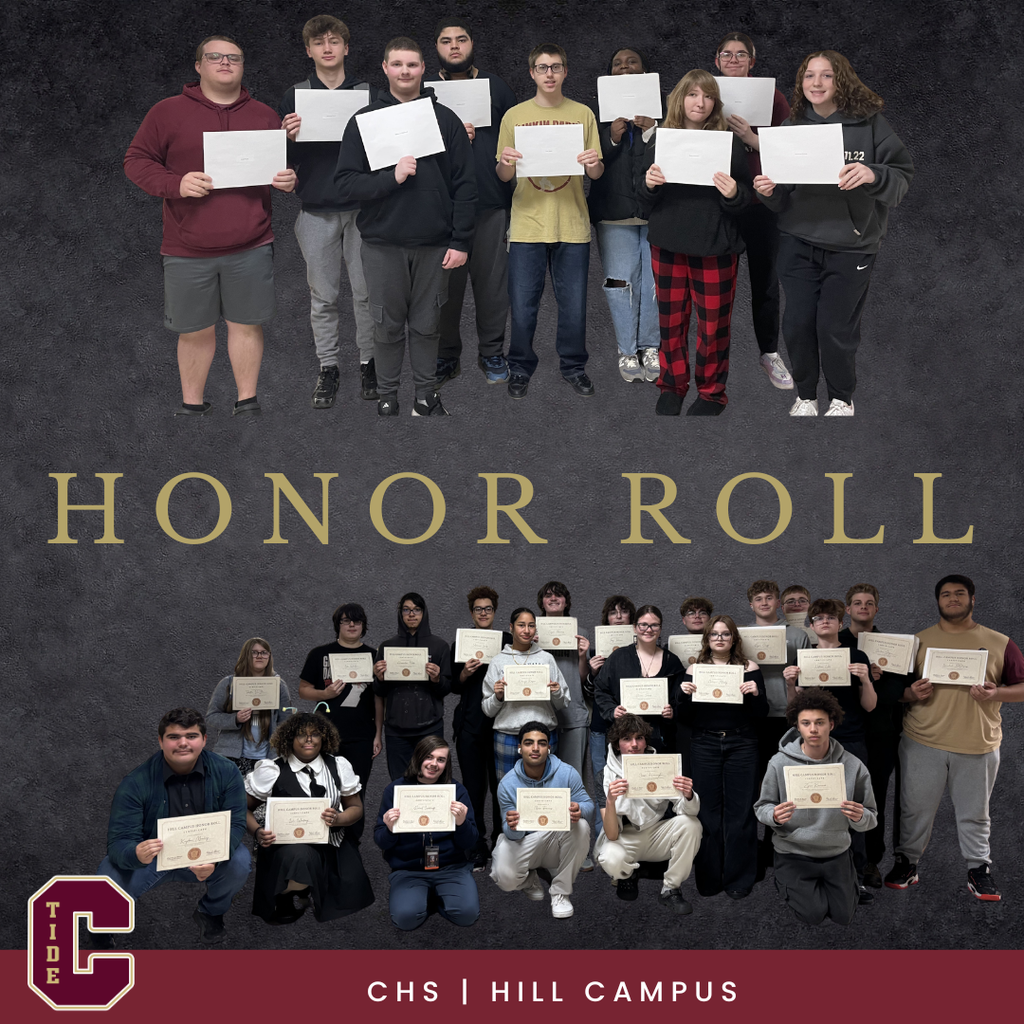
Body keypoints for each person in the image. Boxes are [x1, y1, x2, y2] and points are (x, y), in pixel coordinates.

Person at [124, 35, 296, 416]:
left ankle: (247, 403)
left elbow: (277, 168)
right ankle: (192, 407)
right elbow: (135, 160)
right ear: (198, 66)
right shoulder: (166, 112)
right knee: (194, 331)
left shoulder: (265, 116)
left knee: (246, 325)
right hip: (187, 247)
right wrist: (176, 184)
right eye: (215, 56)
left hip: (251, 244)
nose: (225, 62)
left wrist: (287, 179)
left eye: (234, 57)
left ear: (243, 66)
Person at [753, 50, 914, 416]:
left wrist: (873, 173)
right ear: (801, 82)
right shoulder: (790, 128)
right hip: (797, 242)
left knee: (834, 327)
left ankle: (841, 398)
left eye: (826, 75)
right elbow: (781, 196)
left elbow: (902, 174)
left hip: (851, 245)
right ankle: (806, 396)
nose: (817, 82)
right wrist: (768, 191)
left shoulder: (869, 124)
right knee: (797, 324)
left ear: (841, 81)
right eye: (809, 75)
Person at [335, 36, 476, 417]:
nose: (405, 71)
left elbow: (466, 186)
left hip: (435, 243)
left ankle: (425, 396)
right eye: (397, 64)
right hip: (382, 243)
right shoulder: (364, 121)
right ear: (385, 68)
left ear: (422, 69)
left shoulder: (444, 120)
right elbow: (345, 184)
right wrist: (390, 178)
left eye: (412, 64)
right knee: (386, 324)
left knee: (428, 323)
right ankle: (387, 396)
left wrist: (461, 240)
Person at [886, 576, 1024, 901]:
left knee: (976, 813)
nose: (952, 598)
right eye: (946, 594)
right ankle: (907, 863)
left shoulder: (1000, 642)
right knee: (913, 809)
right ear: (938, 601)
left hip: (977, 744)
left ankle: (979, 869)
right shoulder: (918, 642)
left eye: (960, 593)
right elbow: (895, 692)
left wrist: (996, 693)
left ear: (972, 599)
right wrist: (911, 693)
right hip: (922, 741)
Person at [278, 15, 378, 408]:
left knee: (366, 294)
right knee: (323, 296)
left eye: (334, 41)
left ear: (346, 48)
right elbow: (284, 160)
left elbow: (384, 152)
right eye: (319, 42)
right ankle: (328, 367)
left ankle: (369, 363)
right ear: (309, 51)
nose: (327, 48)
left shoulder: (367, 94)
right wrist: (287, 137)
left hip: (363, 209)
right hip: (317, 209)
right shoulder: (296, 96)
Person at [641, 70, 752, 416]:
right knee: (670, 322)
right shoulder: (660, 140)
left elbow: (747, 198)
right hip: (668, 244)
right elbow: (640, 198)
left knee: (713, 326)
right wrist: (649, 185)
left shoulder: (729, 143)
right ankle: (672, 386)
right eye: (692, 94)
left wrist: (734, 194)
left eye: (707, 96)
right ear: (680, 99)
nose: (700, 102)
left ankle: (711, 393)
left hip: (715, 245)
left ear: (715, 103)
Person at [497, 43, 603, 399]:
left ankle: (573, 367)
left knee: (573, 307)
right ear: (532, 73)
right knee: (522, 307)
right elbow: (502, 175)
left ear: (565, 72)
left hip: (572, 223)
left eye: (556, 67)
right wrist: (505, 163)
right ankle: (520, 367)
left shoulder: (582, 114)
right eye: (542, 67)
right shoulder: (514, 116)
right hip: (527, 224)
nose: (549, 74)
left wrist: (594, 164)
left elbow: (597, 172)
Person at [98, 708, 249, 944]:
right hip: (153, 857)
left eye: (191, 736)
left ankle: (211, 912)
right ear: (160, 741)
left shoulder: (227, 772)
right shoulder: (135, 782)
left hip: (204, 854)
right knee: (109, 872)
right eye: (173, 737)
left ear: (204, 740)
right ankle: (102, 928)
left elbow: (236, 823)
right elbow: (119, 842)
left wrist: (216, 858)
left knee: (239, 860)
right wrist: (135, 854)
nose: (183, 743)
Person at [428, 18, 517, 387]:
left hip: (491, 203)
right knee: (443, 290)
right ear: (436, 48)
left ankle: (492, 352)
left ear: (471, 44)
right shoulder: (425, 92)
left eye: (461, 39)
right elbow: (412, 148)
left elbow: (516, 139)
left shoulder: (496, 87)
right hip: (442, 209)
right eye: (446, 40)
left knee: (493, 288)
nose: (454, 46)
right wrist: (448, 135)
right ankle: (446, 356)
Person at [755, 688, 877, 926]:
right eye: (806, 723)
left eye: (820, 722)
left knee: (844, 916)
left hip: (836, 851)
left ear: (831, 724)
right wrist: (774, 816)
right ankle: (785, 878)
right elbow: (762, 807)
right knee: (813, 914)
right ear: (797, 726)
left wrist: (860, 817)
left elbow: (871, 817)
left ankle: (834, 881)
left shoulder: (853, 765)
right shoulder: (779, 763)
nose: (813, 729)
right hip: (793, 852)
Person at [713, 31, 794, 390]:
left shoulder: (772, 97)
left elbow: (789, 149)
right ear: (717, 61)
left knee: (766, 282)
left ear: (752, 61)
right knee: (717, 285)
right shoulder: (706, 93)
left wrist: (750, 138)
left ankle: (769, 353)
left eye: (741, 54)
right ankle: (715, 360)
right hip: (720, 203)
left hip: (761, 203)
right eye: (727, 54)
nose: (733, 60)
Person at [784, 597, 876, 902]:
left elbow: (870, 706)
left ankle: (857, 878)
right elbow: (794, 710)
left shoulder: (856, 655)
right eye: (819, 618)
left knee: (852, 809)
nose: (825, 621)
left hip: (850, 740)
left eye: (830, 617)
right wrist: (791, 685)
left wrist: (865, 679)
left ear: (840, 623)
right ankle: (815, 876)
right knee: (813, 809)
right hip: (813, 743)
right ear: (811, 625)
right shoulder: (803, 657)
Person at [246, 713, 374, 924]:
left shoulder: (338, 765)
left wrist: (339, 818)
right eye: (301, 734)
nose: (309, 739)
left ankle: (304, 888)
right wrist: (258, 832)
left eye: (315, 734)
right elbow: (243, 809)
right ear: (289, 738)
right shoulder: (272, 769)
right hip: (289, 846)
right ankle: (290, 890)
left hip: (332, 841)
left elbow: (356, 808)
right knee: (301, 859)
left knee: (353, 884)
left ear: (323, 737)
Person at [674, 615, 768, 898]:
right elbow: (684, 717)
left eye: (725, 634)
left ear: (734, 638)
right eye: (714, 634)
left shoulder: (749, 668)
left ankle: (739, 880)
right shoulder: (694, 670)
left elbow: (761, 714)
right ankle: (709, 878)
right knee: (707, 812)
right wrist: (683, 695)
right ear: (707, 639)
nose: (719, 638)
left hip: (742, 743)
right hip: (704, 743)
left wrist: (755, 693)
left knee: (742, 811)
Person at [588, 47, 660, 383]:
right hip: (613, 212)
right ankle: (627, 349)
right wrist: (612, 138)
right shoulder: (597, 116)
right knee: (620, 283)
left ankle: (650, 346)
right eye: (617, 63)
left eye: (632, 62)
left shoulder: (663, 113)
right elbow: (589, 162)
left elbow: (673, 157)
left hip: (656, 211)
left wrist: (652, 131)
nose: (625, 67)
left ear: (645, 71)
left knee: (654, 282)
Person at [595, 715, 702, 913]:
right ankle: (627, 874)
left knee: (692, 825)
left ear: (646, 742)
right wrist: (610, 801)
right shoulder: (604, 776)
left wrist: (688, 795)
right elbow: (612, 834)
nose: (634, 744)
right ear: (617, 744)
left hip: (655, 834)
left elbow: (690, 811)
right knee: (610, 858)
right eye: (627, 739)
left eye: (639, 738)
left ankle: (670, 888)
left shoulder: (663, 766)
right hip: (624, 837)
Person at [838, 584, 906, 888]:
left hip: (879, 734)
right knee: (837, 797)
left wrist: (873, 682)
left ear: (877, 609)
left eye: (869, 603)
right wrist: (861, 679)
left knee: (872, 799)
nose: (863, 607)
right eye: (857, 602)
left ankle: (870, 862)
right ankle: (839, 860)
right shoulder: (831, 642)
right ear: (847, 609)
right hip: (842, 733)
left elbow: (897, 692)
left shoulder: (892, 646)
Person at [375, 737, 480, 930]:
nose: (434, 764)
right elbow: (381, 841)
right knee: (405, 920)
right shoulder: (395, 790)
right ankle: (425, 899)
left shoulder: (457, 791)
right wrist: (389, 829)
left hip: (451, 867)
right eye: (428, 757)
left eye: (441, 760)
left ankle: (436, 899)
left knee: (467, 916)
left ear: (446, 764)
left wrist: (462, 823)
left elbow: (470, 841)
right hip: (409, 869)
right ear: (418, 757)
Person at [491, 722, 594, 918]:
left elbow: (588, 805)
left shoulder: (567, 772)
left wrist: (579, 809)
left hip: (556, 839)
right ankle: (529, 879)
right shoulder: (507, 784)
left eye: (542, 743)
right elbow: (511, 834)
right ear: (520, 748)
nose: (535, 748)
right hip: (525, 841)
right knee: (505, 878)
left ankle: (561, 893)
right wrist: (513, 826)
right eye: (529, 743)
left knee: (581, 826)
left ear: (549, 748)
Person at [298, 603, 384, 834]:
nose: (352, 625)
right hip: (324, 735)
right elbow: (303, 690)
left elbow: (379, 699)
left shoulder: (374, 656)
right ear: (338, 625)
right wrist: (324, 694)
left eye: (357, 621)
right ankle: (322, 840)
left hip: (361, 736)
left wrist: (378, 734)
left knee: (356, 793)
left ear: (364, 625)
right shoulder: (320, 654)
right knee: (322, 788)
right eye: (346, 620)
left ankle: (352, 844)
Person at [745, 579, 810, 877]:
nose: (764, 602)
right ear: (751, 605)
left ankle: (777, 846)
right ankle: (753, 849)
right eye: (758, 598)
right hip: (752, 718)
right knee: (754, 783)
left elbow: (809, 680)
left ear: (778, 603)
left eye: (769, 597)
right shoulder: (740, 636)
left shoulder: (797, 636)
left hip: (786, 718)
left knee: (784, 785)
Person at [450, 586, 512, 869]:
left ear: (494, 612)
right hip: (470, 726)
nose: (483, 613)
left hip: (502, 726)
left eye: (488, 609)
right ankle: (476, 845)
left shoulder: (508, 641)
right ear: (471, 612)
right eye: (478, 609)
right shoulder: (461, 643)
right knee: (473, 790)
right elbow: (452, 685)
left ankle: (502, 841)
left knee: (502, 789)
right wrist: (464, 673)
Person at [482, 607, 569, 778]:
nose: (527, 630)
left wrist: (557, 692)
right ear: (511, 627)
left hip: (543, 735)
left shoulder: (546, 658)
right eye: (521, 625)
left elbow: (562, 704)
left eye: (531, 625)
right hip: (508, 735)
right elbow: (487, 710)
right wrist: (498, 697)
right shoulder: (498, 661)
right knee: (508, 788)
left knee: (545, 787)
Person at [373, 592, 452, 779]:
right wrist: (379, 678)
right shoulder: (387, 647)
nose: (411, 614)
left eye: (416, 610)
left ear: (424, 613)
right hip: (396, 730)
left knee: (431, 780)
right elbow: (378, 691)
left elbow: (447, 689)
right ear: (400, 613)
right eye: (406, 610)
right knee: (400, 782)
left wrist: (437, 679)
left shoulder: (439, 646)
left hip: (430, 728)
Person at [593, 604, 680, 753]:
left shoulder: (671, 661)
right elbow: (601, 689)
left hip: (660, 737)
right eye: (643, 625)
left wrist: (672, 711)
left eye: (654, 625)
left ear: (660, 629)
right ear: (634, 627)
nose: (648, 630)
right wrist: (612, 710)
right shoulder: (618, 657)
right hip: (624, 736)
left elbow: (680, 698)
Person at [206, 637, 295, 775]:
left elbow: (286, 722)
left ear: (269, 656)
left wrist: (279, 750)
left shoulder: (278, 685)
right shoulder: (229, 683)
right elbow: (211, 717)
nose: (260, 656)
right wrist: (235, 719)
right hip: (230, 756)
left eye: (264, 652)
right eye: (254, 652)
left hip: (267, 758)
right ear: (246, 655)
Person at [584, 595, 636, 820]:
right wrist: (592, 673)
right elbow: (588, 693)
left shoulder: (643, 652)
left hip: (633, 729)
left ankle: (632, 834)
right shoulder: (597, 653)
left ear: (632, 619)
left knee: (633, 783)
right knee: (602, 783)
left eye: (623, 612)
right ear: (606, 618)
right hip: (601, 727)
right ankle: (603, 836)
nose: (618, 617)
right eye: (613, 612)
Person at [535, 580, 590, 781]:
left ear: (566, 602)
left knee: (572, 776)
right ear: (542, 603)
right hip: (540, 712)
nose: (553, 598)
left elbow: (582, 678)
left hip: (573, 713)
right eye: (548, 595)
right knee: (540, 776)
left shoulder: (580, 633)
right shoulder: (531, 633)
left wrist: (583, 657)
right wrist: (530, 648)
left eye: (558, 595)